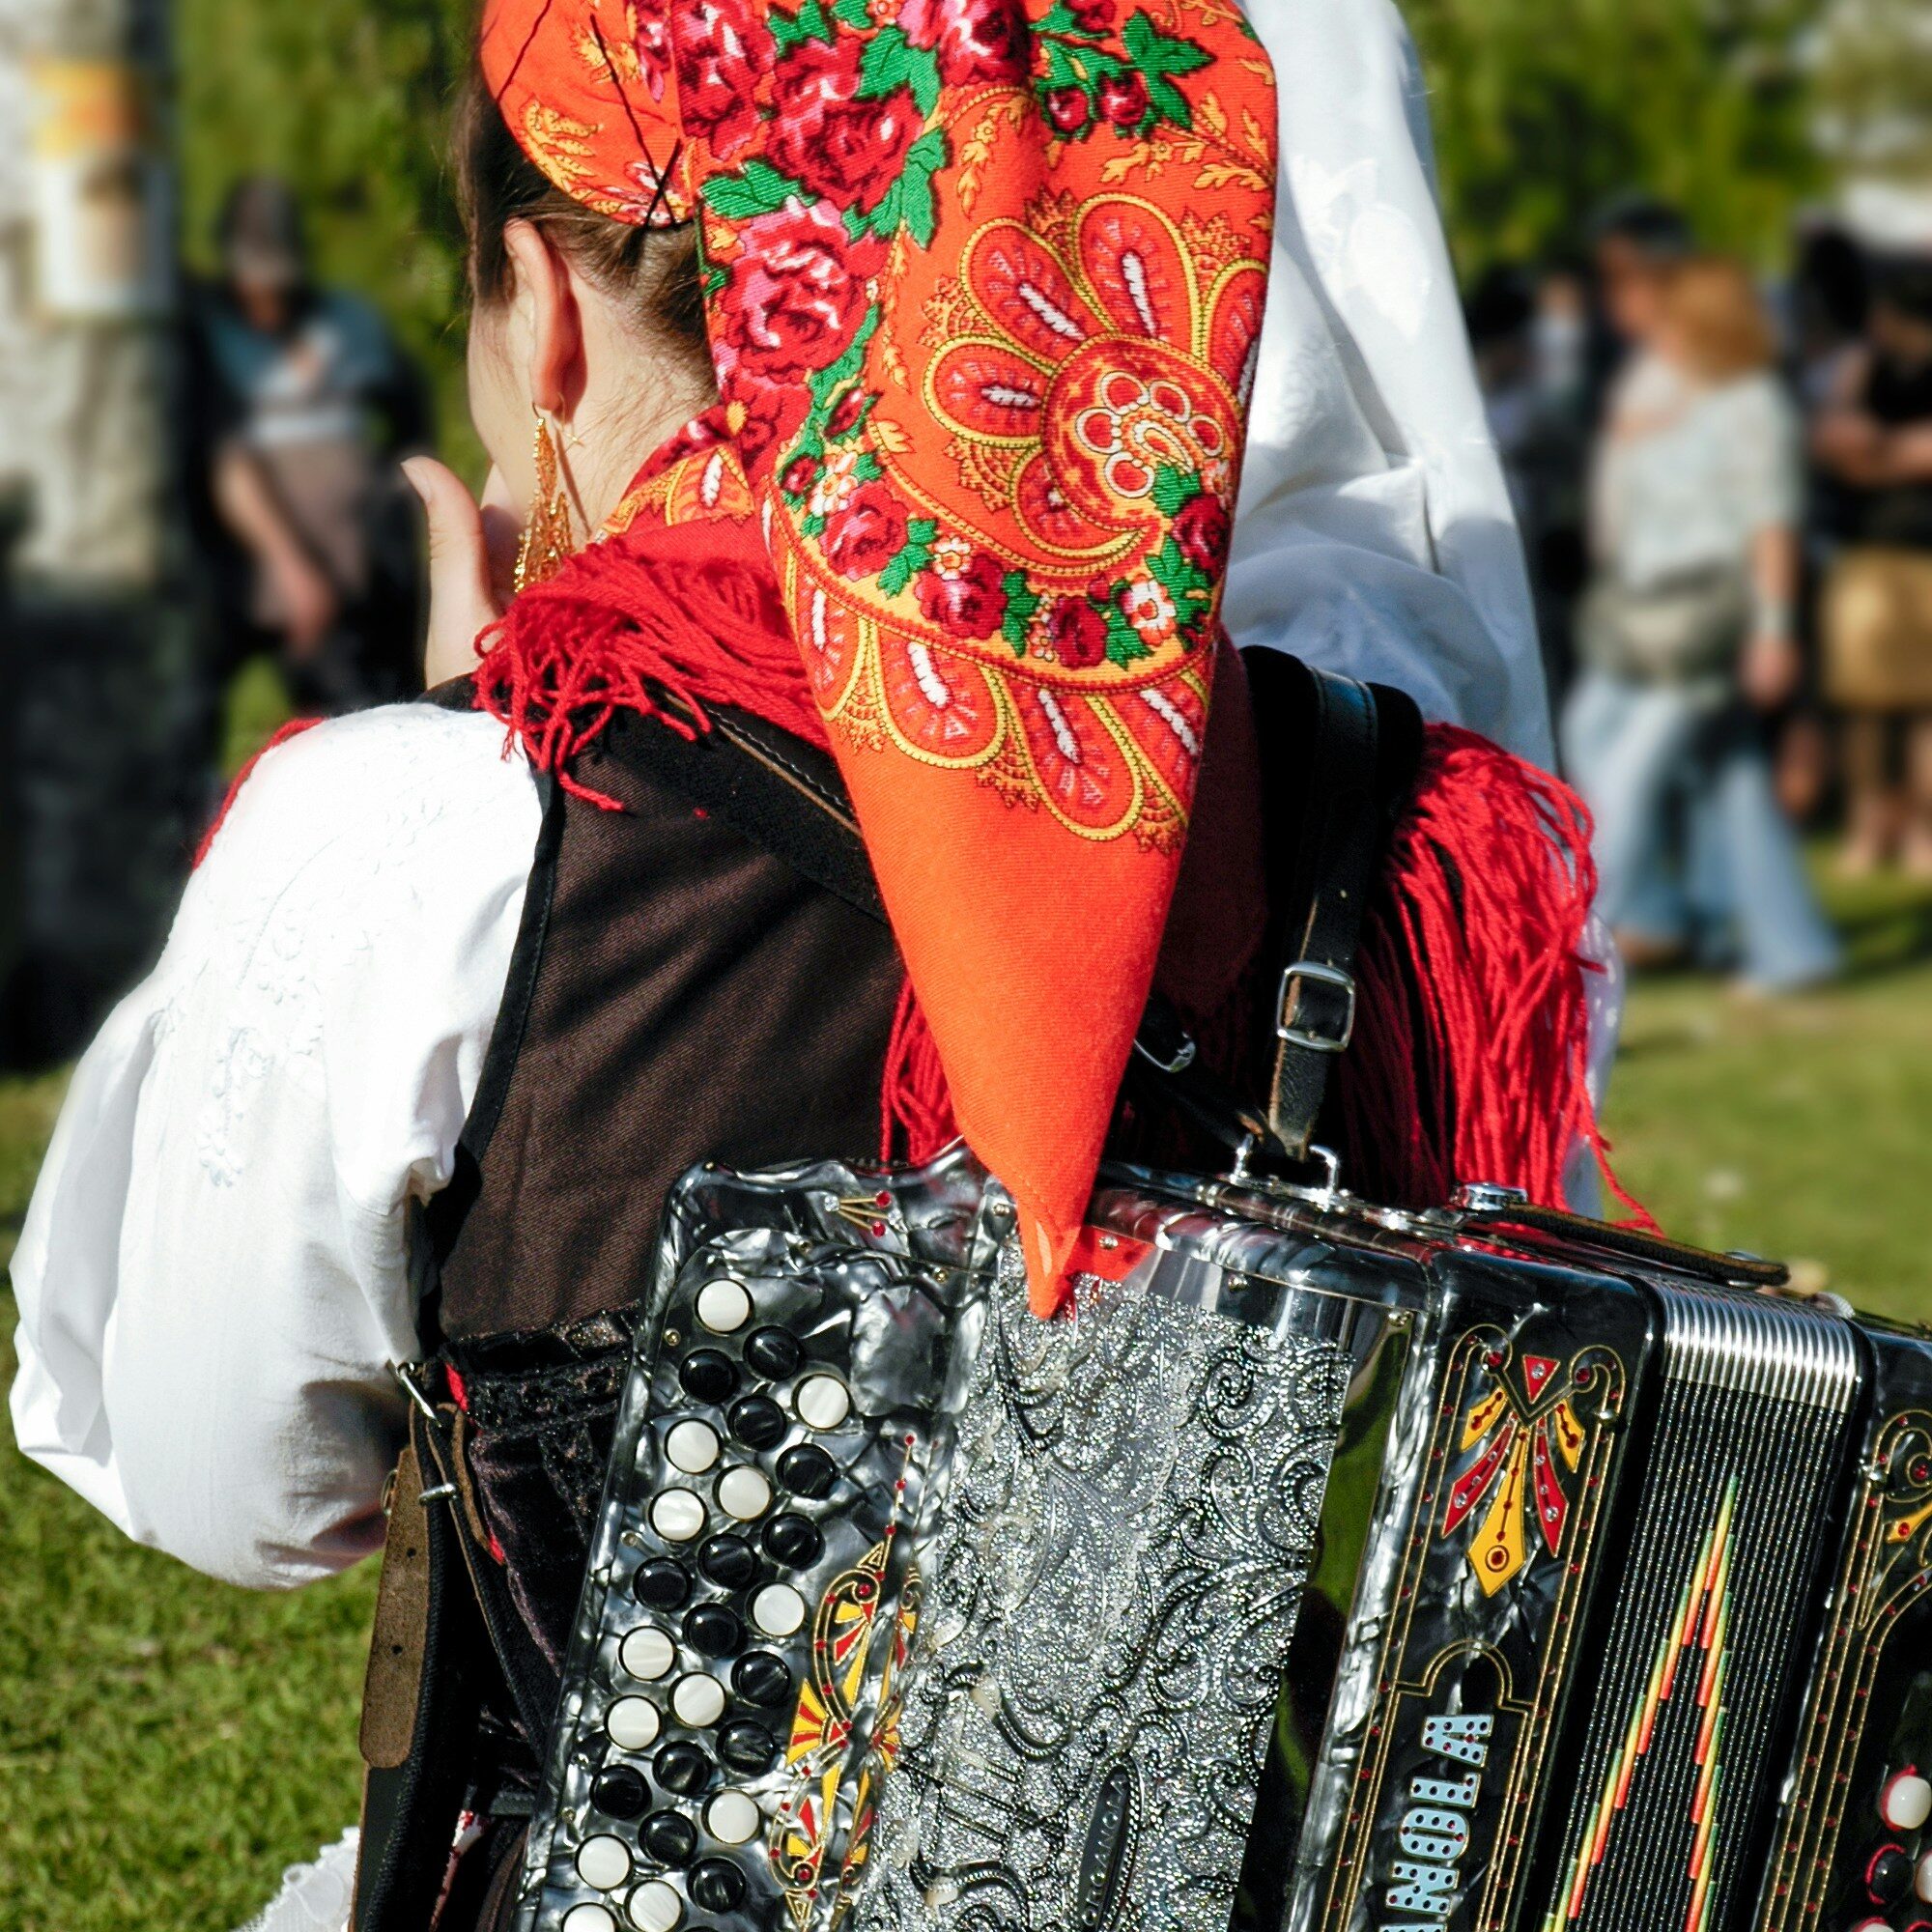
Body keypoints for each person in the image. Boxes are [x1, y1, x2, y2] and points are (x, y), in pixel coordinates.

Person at [12, 0, 1609, 1923]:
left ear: (550, 299)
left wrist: (463, 766)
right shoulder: (1381, 791)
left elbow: (221, 1485)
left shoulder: (421, 836)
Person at [1564, 256, 1840, 991]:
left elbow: (1771, 527)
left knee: (1625, 782)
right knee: (1727, 776)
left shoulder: (1753, 407)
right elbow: (1619, 497)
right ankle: (1779, 942)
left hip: (1709, 617)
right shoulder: (1654, 384)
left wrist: (1775, 628)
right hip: (1635, 608)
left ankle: (1581, 952)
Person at [189, 176, 433, 719]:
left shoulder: (344, 323)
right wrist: (285, 561)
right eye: (256, 278)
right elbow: (220, 458)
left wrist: (403, 482)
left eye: (279, 278)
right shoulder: (206, 335)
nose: (268, 296)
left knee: (379, 683)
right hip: (260, 544)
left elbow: (406, 407)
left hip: (356, 540)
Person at [1813, 253, 1932, 876]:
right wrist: (1889, 454)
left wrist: (1878, 455)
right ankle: (1868, 821)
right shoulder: (1863, 366)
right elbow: (1835, 440)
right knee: (1862, 705)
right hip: (1867, 554)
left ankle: (1920, 831)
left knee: (1924, 710)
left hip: (1922, 556)